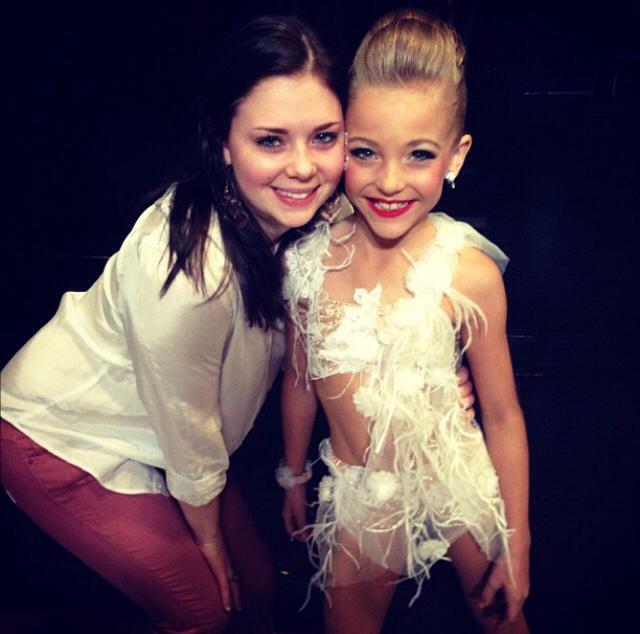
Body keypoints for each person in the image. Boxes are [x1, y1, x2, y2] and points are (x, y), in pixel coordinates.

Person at [0, 15, 347, 634]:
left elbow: (391, 246)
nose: (303, 167)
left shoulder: (312, 210)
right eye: (270, 141)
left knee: (258, 589)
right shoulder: (190, 271)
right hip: (59, 435)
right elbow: (186, 427)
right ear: (223, 142)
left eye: (324, 137)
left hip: (167, 435)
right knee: (204, 611)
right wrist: (207, 541)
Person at [280, 9, 530, 634]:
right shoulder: (306, 267)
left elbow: (502, 414)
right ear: (340, 145)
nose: (389, 182)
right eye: (365, 152)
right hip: (361, 491)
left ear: (456, 156)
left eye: (419, 154)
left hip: (454, 474)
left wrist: (518, 543)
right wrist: (293, 475)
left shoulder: (469, 273)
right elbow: (300, 380)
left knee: (502, 619)